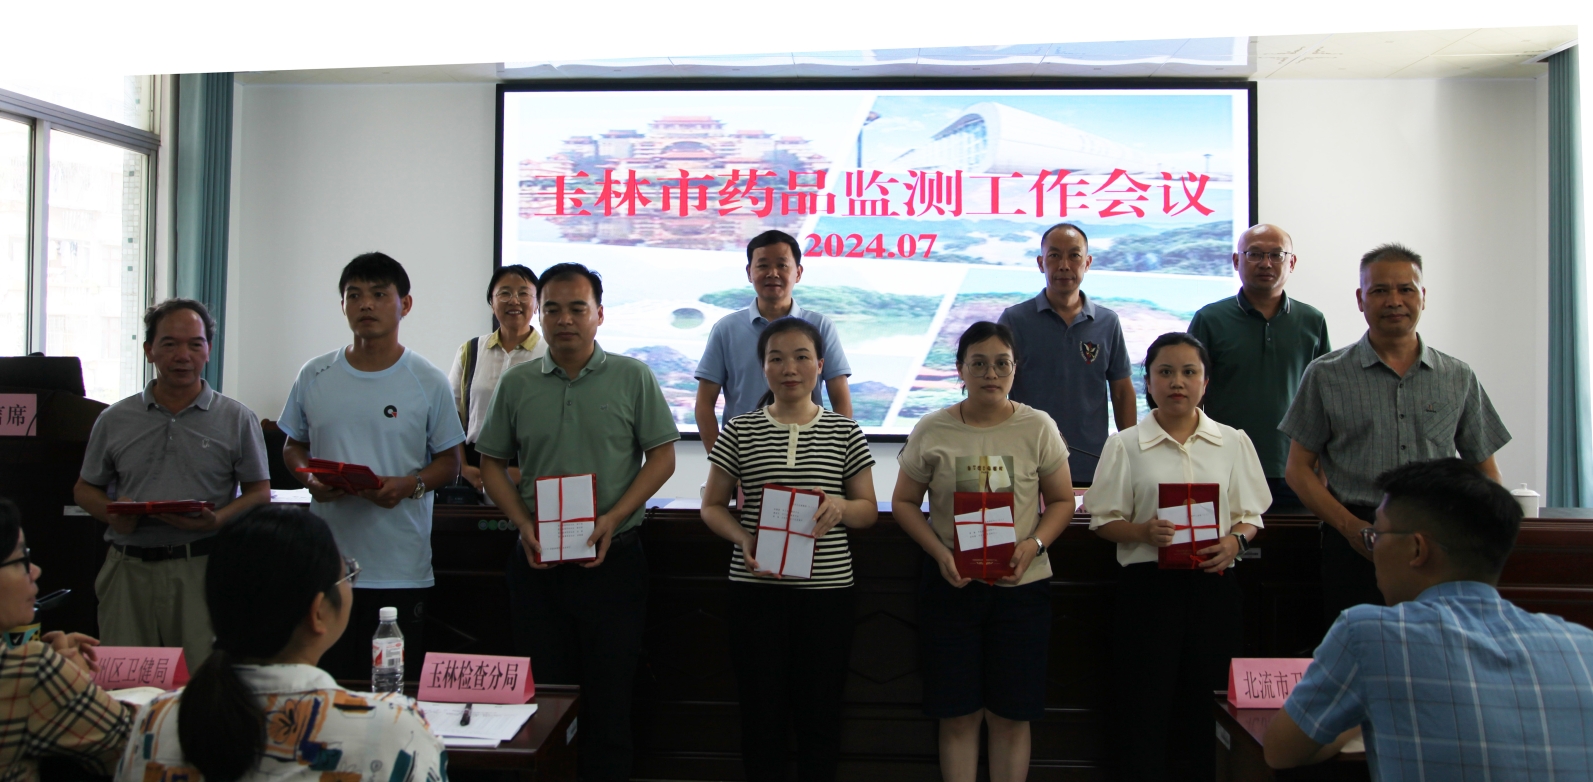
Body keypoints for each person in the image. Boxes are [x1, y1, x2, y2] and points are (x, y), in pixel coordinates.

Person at [476, 262, 679, 782]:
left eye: (577, 308)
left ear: (599, 314)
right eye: (552, 309)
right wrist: (522, 523)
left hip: (614, 562)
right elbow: (491, 463)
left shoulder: (633, 376)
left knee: (611, 698)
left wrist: (614, 517)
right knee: (543, 699)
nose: (564, 319)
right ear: (539, 316)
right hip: (536, 563)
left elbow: (662, 457)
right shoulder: (518, 383)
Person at [1265, 459, 1593, 779]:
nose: (1373, 549)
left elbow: (1281, 751)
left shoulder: (1369, 634)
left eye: (1376, 535)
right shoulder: (1582, 645)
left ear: (1417, 549)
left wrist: (1364, 704)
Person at [114, 504, 447, 782]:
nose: (351, 582)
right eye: (347, 573)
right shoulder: (392, 730)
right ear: (318, 612)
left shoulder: (156, 720)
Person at [1280, 243, 1511, 625]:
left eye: (1406, 289)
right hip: (1356, 539)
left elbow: (1485, 470)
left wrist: (1483, 536)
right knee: (1360, 645)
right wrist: (1351, 529)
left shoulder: (1458, 376)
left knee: (1439, 645)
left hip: (1439, 539)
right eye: (1380, 290)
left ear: (1423, 296)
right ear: (1361, 299)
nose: (1394, 301)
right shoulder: (1325, 374)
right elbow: (1298, 469)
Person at [892, 321, 1075, 782]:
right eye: (978, 364)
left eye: (1001, 364)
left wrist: (1034, 544)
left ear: (1015, 369)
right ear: (960, 370)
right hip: (952, 587)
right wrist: (940, 554)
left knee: (1011, 716)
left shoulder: (1038, 426)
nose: (991, 373)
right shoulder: (933, 427)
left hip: (1021, 589)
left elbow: (1062, 501)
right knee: (957, 715)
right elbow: (904, 502)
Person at [1084, 332, 1270, 782]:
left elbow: (1251, 517)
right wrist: (1142, 531)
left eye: (1189, 372)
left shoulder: (1233, 442)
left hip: (1213, 587)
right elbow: (1102, 520)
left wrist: (1235, 543)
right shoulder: (1125, 444)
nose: (1177, 382)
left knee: (1209, 704)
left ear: (1206, 382)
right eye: (1165, 372)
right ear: (1148, 382)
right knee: (1144, 706)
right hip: (1148, 591)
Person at [699, 317, 877, 782]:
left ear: (820, 365)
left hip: (827, 594)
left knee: (821, 711)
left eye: (801, 357)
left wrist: (840, 507)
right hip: (756, 589)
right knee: (760, 712)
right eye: (776, 358)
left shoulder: (845, 432)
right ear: (763, 367)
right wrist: (744, 538)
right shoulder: (740, 430)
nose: (789, 368)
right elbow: (712, 507)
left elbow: (867, 511)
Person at [279, 252, 465, 681]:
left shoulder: (427, 379)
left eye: (379, 295)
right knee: (327, 686)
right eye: (354, 295)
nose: (365, 304)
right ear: (342, 304)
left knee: (393, 689)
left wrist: (410, 485)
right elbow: (293, 445)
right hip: (328, 567)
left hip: (400, 566)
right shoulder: (315, 373)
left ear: (405, 304)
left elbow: (450, 464)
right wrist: (309, 478)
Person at [73, 298, 271, 667]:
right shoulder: (114, 419)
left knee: (203, 681)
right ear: (149, 350)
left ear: (208, 350)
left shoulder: (236, 418)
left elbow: (259, 492)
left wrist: (217, 519)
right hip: (129, 568)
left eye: (195, 344)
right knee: (125, 682)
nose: (183, 355)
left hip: (202, 567)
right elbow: (85, 489)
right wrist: (112, 513)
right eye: (170, 344)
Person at [1187, 224, 1330, 509]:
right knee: (1228, 538)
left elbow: (1325, 400)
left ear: (1292, 262)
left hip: (1296, 469)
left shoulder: (1312, 321)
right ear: (1236, 260)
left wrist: (1325, 469)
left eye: (1276, 255)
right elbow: (1192, 396)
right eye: (1254, 254)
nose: (1266, 263)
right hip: (1224, 465)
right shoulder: (1210, 319)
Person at [0, 497, 133, 782]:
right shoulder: (31, 670)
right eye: (22, 559)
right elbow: (136, 744)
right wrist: (76, 681)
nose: (35, 571)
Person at [998, 223, 1135, 485]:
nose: (1064, 265)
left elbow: (1122, 392)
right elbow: (995, 388)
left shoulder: (1107, 322)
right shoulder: (1014, 320)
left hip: (1092, 463)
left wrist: (1131, 451)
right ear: (1041, 263)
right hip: (1027, 461)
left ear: (1087, 262)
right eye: (1054, 255)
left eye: (1074, 255)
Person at [695, 230, 853, 453]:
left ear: (798, 273)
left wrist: (835, 456)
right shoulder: (726, 329)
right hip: (745, 456)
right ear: (749, 272)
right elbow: (704, 404)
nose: (772, 273)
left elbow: (841, 399)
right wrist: (722, 460)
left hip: (809, 454)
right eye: (763, 266)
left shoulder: (821, 326)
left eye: (782, 265)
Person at [447, 264, 546, 492]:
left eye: (523, 293)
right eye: (504, 293)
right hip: (475, 468)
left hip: (532, 469)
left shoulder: (551, 354)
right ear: (492, 303)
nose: (514, 301)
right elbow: (451, 415)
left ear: (537, 304)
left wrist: (526, 473)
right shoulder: (470, 351)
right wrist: (462, 467)